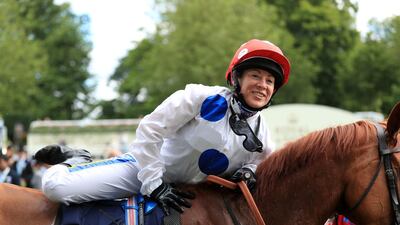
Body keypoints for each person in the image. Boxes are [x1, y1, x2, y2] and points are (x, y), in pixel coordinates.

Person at [34, 39, 291, 216]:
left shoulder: (263, 134)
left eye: (270, 81)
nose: (263, 85)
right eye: (255, 76)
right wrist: (154, 183)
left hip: (193, 196)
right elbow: (150, 129)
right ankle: (76, 159)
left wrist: (248, 170)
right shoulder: (200, 97)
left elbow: (263, 166)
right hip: (143, 171)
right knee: (56, 189)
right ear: (237, 78)